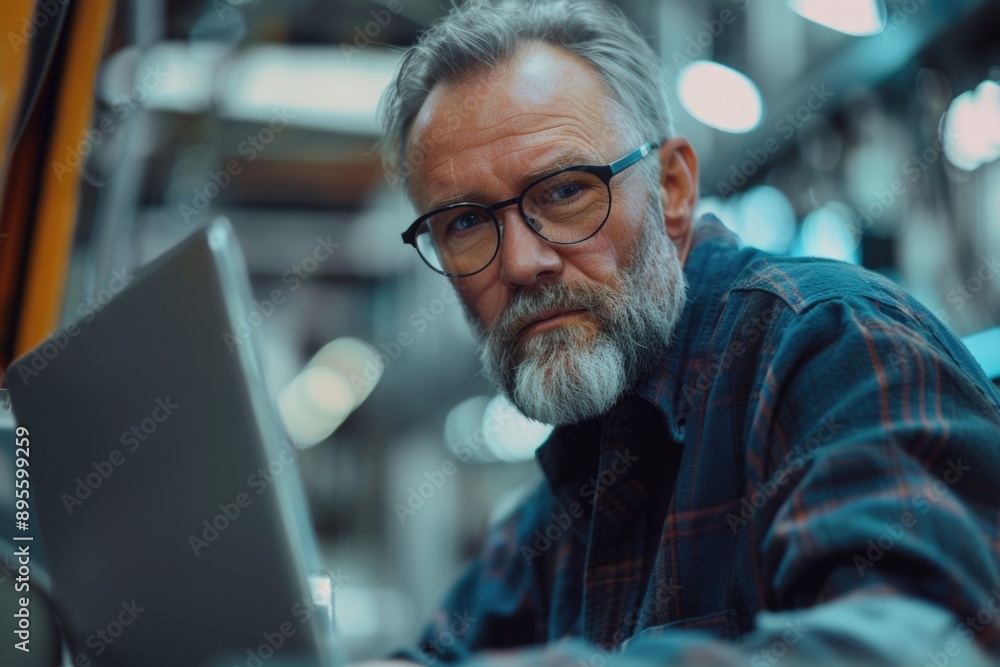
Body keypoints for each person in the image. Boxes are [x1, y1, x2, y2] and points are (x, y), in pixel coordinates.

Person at [374, 1, 1000, 665]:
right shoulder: (575, 479)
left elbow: (931, 646)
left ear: (672, 189)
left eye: (564, 192)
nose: (523, 263)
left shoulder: (836, 347)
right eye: (466, 223)